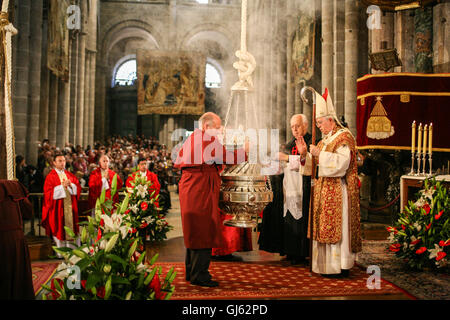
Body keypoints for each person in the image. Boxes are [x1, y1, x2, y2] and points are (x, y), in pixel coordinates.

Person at [174, 112, 247, 287]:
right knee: (203, 228)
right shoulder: (207, 140)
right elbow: (229, 158)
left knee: (194, 230)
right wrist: (246, 151)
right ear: (207, 127)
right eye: (217, 128)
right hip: (200, 187)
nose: (220, 132)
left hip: (191, 186)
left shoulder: (193, 138)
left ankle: (192, 271)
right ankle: (200, 275)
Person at [299, 88, 361, 277]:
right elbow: (313, 166)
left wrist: (320, 154)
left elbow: (342, 164)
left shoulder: (344, 137)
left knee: (336, 229)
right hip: (323, 190)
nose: (318, 126)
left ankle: (339, 266)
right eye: (317, 122)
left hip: (337, 191)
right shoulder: (325, 140)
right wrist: (305, 154)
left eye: (320, 122)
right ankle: (325, 266)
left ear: (331, 120)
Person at [278, 114, 312, 265]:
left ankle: (301, 252)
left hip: (304, 187)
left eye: (297, 126)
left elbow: (310, 162)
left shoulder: (312, 142)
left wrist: (285, 159)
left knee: (301, 219)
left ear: (305, 126)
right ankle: (290, 251)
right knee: (289, 218)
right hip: (289, 187)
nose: (295, 129)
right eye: (292, 126)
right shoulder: (289, 144)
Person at [0, 180, 35, 299]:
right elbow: (28, 212)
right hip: (17, 238)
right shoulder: (13, 186)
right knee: (18, 274)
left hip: (4, 239)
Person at [41, 154, 81, 254]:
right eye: (59, 161)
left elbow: (78, 188)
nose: (63, 163)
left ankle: (74, 251)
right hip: (58, 208)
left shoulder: (70, 175)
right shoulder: (51, 177)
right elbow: (48, 194)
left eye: (63, 160)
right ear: (54, 163)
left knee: (72, 229)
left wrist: (71, 185)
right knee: (60, 228)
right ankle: (62, 253)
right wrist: (62, 187)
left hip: (70, 208)